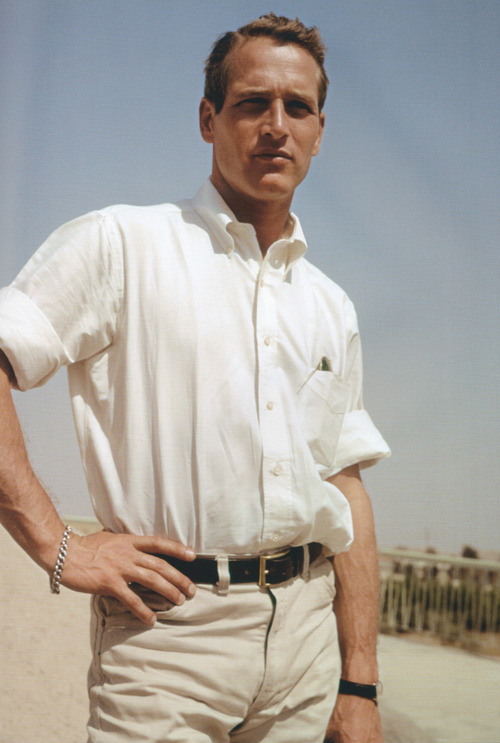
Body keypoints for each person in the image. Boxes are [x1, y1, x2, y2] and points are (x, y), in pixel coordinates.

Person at [0, 13, 390, 743]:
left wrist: (360, 682)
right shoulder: (123, 245)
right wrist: (58, 544)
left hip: (306, 653)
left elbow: (345, 486)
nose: (276, 125)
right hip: (167, 638)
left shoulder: (329, 304)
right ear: (209, 119)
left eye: (297, 107)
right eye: (252, 103)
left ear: (319, 130)